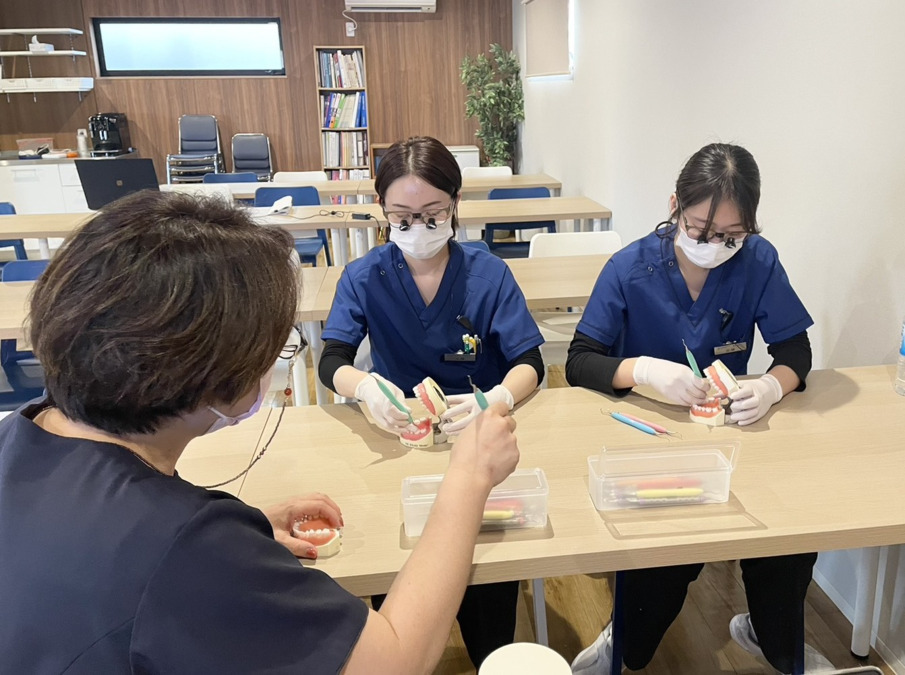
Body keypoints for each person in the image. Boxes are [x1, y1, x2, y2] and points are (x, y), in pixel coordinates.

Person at [0, 190, 520, 674]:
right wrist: (469, 476)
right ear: (213, 373)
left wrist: (238, 535)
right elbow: (394, 659)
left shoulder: (18, 435)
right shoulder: (190, 553)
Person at [566, 143, 826, 674]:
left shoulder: (758, 260)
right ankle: (625, 635)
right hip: (651, 445)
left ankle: (768, 633)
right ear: (674, 207)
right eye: (699, 230)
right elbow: (578, 361)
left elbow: (795, 351)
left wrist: (772, 388)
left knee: (789, 543)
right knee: (651, 598)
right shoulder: (630, 267)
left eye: (730, 236)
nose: (712, 246)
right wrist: (642, 371)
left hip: (735, 440)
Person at [318, 135, 544, 667]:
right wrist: (366, 387)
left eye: (431, 214)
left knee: (484, 587)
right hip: (398, 445)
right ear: (382, 213)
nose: (417, 229)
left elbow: (531, 362)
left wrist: (496, 398)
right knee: (395, 590)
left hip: (478, 445)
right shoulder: (366, 275)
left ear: (455, 206)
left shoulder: (487, 275)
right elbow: (332, 360)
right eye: (402, 217)